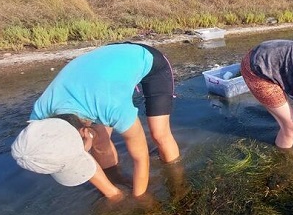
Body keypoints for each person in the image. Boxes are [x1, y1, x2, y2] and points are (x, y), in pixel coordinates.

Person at [11, 42, 180, 200]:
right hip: (98, 77)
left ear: (85, 131)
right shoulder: (39, 121)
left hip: (142, 60)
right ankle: (115, 177)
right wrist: (114, 194)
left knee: (159, 134)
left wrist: (140, 200)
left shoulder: (111, 106)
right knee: (99, 141)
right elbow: (77, 153)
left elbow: (141, 157)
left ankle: (177, 178)